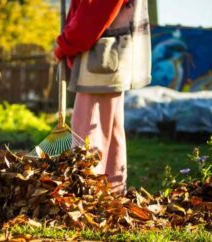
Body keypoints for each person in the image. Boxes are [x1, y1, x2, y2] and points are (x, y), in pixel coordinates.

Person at [54, 0, 152, 194]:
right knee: (109, 128)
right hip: (110, 57)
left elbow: (92, 16)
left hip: (102, 58)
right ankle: (111, 193)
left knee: (90, 131)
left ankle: (87, 195)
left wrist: (65, 45)